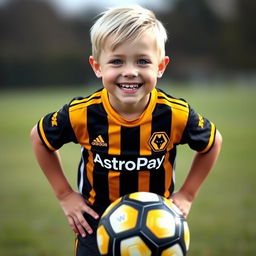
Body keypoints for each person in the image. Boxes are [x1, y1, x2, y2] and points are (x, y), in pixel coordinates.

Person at [30, 5, 222, 256]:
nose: (130, 71)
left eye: (142, 61)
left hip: (159, 231)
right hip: (94, 226)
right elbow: (39, 137)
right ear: (97, 66)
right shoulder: (83, 113)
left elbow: (212, 142)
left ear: (161, 66)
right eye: (117, 61)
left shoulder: (175, 113)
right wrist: (65, 194)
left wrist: (187, 194)